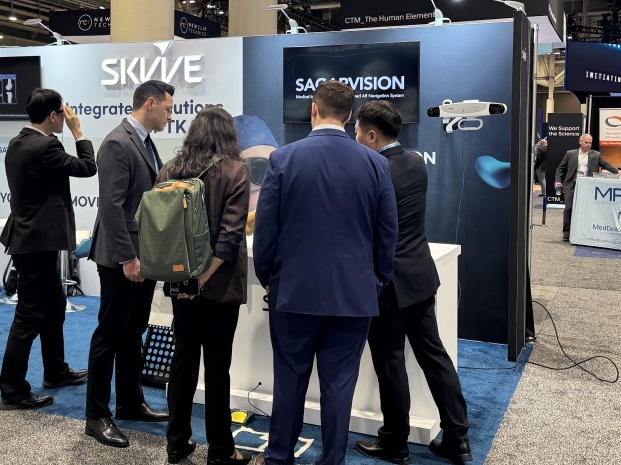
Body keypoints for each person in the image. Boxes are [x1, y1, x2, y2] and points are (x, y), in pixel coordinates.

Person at [252, 81, 397, 465]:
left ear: (313, 110)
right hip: (353, 295)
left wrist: (270, 279)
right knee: (339, 387)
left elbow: (265, 231)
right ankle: (332, 460)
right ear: (349, 116)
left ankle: (279, 458)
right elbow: (387, 235)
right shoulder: (377, 164)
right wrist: (375, 282)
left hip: (294, 293)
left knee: (289, 381)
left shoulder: (283, 159)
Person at [352, 100, 472, 465]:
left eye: (357, 132)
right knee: (434, 356)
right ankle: (458, 437)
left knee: (390, 363)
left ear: (372, 136)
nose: (355, 138)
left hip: (386, 284)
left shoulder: (372, 170)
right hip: (419, 277)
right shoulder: (416, 162)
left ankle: (394, 443)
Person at [158, 107, 251, 465]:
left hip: (180, 282)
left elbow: (161, 229)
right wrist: (204, 277)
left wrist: (187, 278)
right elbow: (230, 237)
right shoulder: (235, 170)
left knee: (183, 359)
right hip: (219, 285)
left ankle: (176, 443)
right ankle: (221, 450)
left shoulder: (170, 168)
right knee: (217, 366)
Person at [84, 79, 175, 448]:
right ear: (150, 103)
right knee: (109, 333)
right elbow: (111, 207)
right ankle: (96, 415)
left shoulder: (144, 141)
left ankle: (129, 401)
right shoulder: (117, 143)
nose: (170, 116)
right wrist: (128, 258)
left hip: (143, 255)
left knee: (133, 331)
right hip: (121, 257)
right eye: (167, 108)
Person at [0, 88, 96, 411]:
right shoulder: (46, 146)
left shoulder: (18, 142)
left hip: (29, 239)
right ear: (53, 115)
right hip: (37, 242)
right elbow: (87, 166)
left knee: (55, 305)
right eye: (62, 114)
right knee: (29, 316)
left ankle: (55, 370)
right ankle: (13, 390)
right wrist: (78, 132)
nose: (65, 118)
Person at [554, 133, 618, 241]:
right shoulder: (570, 154)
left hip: (588, 186)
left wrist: (617, 171)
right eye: (586, 142)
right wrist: (557, 180)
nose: (588, 144)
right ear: (580, 142)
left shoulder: (596, 155)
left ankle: (585, 232)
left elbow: (606, 165)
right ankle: (567, 233)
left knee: (587, 209)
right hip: (571, 185)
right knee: (569, 208)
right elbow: (560, 168)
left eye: (590, 143)